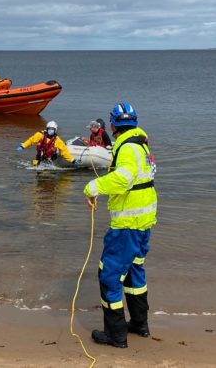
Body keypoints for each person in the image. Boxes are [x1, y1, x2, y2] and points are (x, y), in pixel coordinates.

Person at [82, 101, 157, 348]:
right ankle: (139, 324)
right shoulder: (141, 145)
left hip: (128, 224)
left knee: (110, 275)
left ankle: (115, 335)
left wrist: (92, 188)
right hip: (144, 221)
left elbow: (123, 179)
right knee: (135, 272)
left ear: (113, 124)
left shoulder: (127, 149)